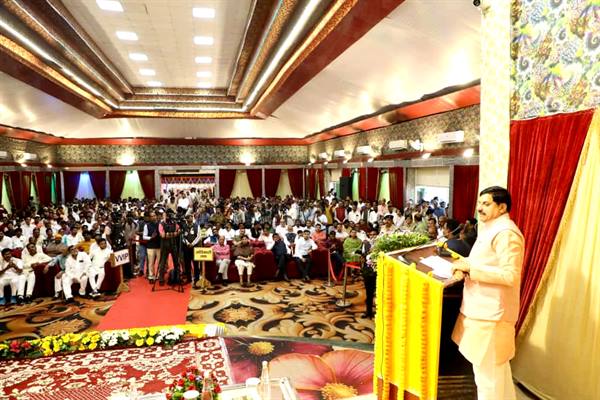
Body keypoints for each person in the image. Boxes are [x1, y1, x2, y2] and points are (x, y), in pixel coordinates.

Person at [451, 186, 524, 400]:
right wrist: (463, 263)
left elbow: (510, 275)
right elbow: (484, 262)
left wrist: (470, 270)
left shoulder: (506, 234)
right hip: (481, 310)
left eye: (486, 203)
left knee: (488, 379)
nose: (480, 208)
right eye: (479, 203)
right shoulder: (490, 229)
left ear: (502, 207)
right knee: (496, 373)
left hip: (492, 314)